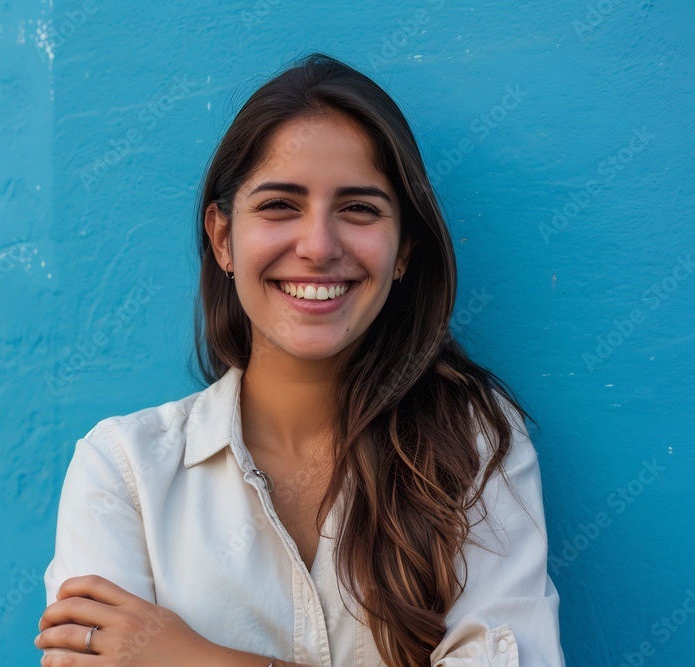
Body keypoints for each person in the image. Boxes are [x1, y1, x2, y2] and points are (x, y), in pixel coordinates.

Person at [37, 52, 565, 667]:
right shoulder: (124, 471)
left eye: (359, 209)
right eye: (280, 205)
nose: (318, 246)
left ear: (403, 252)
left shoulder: (474, 442)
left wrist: (191, 657)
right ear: (223, 237)